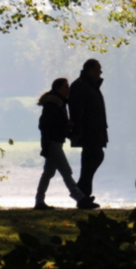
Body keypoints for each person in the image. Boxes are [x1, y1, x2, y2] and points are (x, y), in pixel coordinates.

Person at [34, 78, 96, 210]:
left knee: (48, 174)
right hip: (53, 143)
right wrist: (67, 128)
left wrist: (66, 128)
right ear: (58, 88)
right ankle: (80, 198)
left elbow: (56, 125)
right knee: (66, 171)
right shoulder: (53, 104)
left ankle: (39, 201)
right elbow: (47, 125)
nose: (68, 89)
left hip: (53, 142)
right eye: (65, 87)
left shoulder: (58, 103)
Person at [68, 59, 108, 207]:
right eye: (98, 69)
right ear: (90, 70)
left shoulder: (88, 85)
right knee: (93, 158)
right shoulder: (81, 86)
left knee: (91, 161)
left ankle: (82, 196)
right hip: (88, 131)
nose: (100, 72)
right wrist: (77, 131)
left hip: (95, 130)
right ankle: (81, 195)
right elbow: (76, 110)